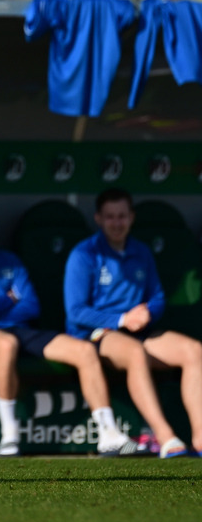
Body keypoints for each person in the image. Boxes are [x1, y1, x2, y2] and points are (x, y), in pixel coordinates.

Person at [0, 191, 143, 457]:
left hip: (21, 328)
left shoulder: (9, 259)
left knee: (84, 350)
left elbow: (31, 305)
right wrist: (9, 298)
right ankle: (10, 435)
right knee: (6, 343)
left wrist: (1, 306)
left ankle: (108, 434)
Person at [65, 188, 202, 458]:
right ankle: (166, 438)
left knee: (194, 351)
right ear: (99, 219)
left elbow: (158, 297)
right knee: (134, 352)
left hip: (140, 330)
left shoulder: (141, 251)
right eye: (111, 217)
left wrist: (147, 313)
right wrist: (121, 319)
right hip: (97, 334)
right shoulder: (84, 254)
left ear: (132, 217)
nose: (117, 223)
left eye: (122, 216)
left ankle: (199, 437)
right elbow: (76, 311)